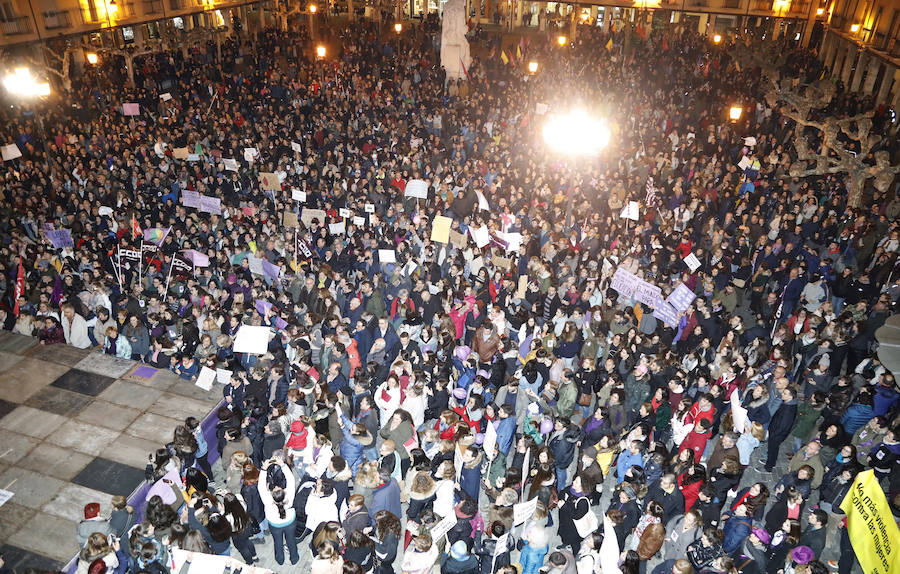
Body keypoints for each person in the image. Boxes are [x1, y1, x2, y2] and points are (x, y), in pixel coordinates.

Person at [257, 459, 299, 565]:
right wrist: (283, 465)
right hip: (290, 522)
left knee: (278, 542)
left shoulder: (268, 500)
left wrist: (264, 469)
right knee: (291, 541)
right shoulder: (289, 496)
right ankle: (294, 558)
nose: (275, 486)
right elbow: (291, 479)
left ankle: (280, 560)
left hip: (275, 525)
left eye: (275, 488)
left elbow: (261, 487)